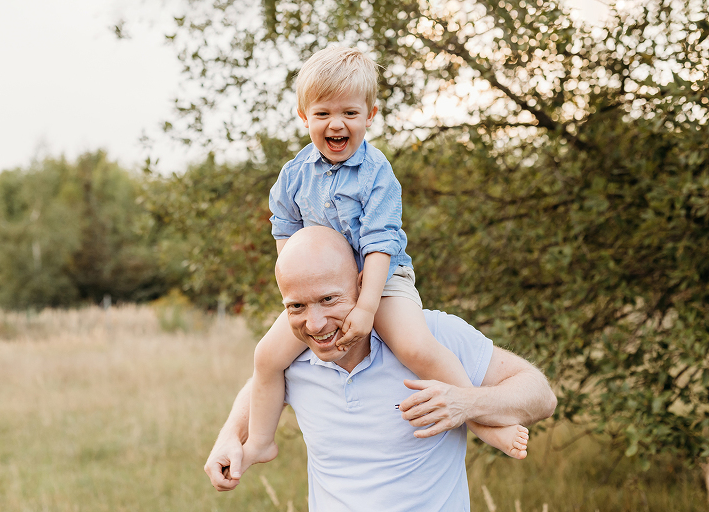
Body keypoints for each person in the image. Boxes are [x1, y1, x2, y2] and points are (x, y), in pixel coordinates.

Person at [243, 45, 529, 471]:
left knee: (415, 346)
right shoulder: (294, 174)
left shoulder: (376, 173)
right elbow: (285, 230)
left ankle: (481, 419)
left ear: (370, 115)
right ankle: (260, 442)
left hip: (383, 276)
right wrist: (297, 289)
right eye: (322, 113)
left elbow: (380, 241)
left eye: (349, 113)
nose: (336, 123)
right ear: (304, 117)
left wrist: (365, 306)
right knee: (266, 357)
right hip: (325, 289)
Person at [205, 227, 557, 510]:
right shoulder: (293, 358)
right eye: (296, 306)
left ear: (362, 285)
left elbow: (542, 396)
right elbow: (260, 383)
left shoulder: (431, 338)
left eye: (329, 299)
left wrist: (466, 402)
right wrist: (231, 436)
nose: (314, 323)